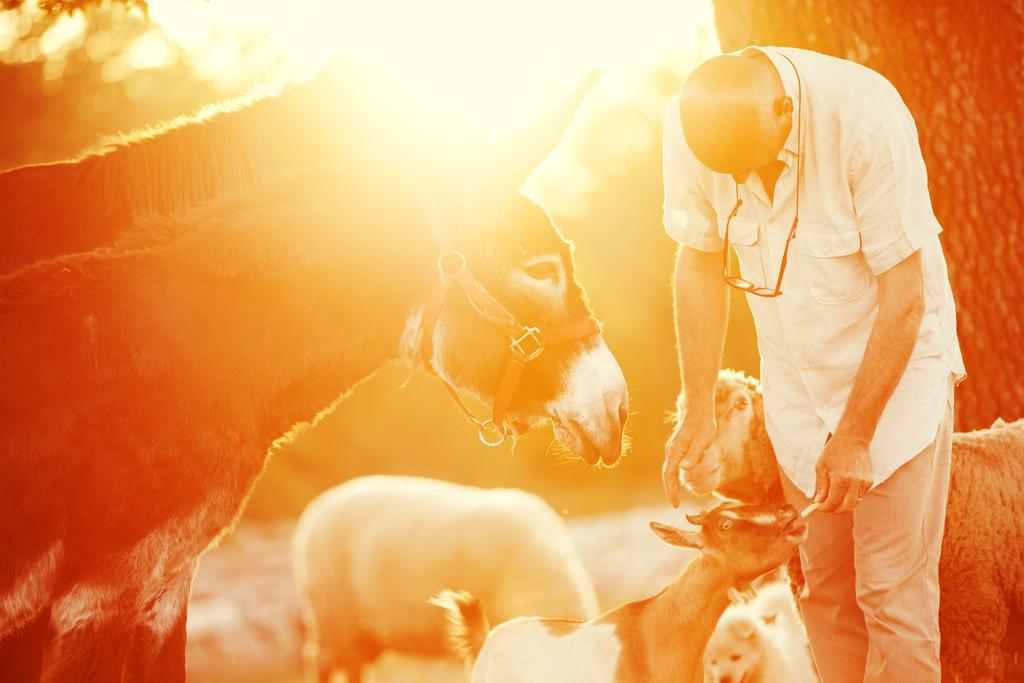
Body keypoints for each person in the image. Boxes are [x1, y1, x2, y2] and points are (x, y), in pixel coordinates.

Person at [660, 46, 965, 682]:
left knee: (889, 595)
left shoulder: (867, 119)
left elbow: (906, 298)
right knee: (822, 592)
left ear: (784, 110)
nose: (747, 181)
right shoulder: (690, 124)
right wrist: (695, 407)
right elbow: (698, 261)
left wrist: (856, 436)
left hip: (894, 380)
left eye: (760, 162)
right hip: (798, 395)